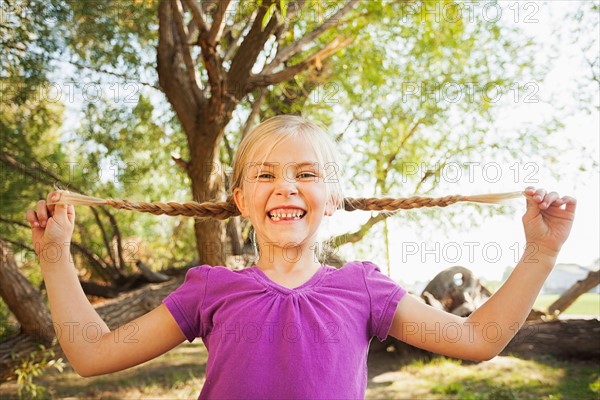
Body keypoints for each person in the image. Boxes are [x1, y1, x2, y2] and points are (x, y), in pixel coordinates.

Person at [26, 115, 576, 399]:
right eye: (265, 175)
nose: (286, 188)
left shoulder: (364, 289)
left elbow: (479, 340)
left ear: (332, 198)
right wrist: (54, 257)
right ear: (241, 199)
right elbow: (91, 356)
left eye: (305, 175)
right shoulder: (209, 290)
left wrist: (541, 254)